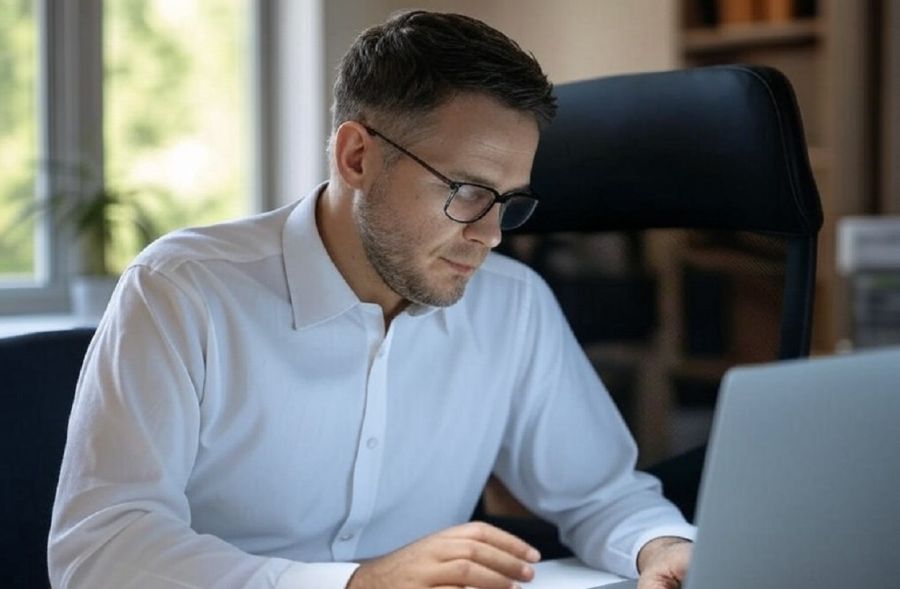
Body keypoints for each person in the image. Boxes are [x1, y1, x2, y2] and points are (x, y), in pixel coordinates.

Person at [49, 10, 695, 589]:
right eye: (467, 190)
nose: (492, 234)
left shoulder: (513, 307)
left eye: (509, 201)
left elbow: (603, 494)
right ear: (357, 156)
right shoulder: (183, 290)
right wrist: (357, 584)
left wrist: (660, 547)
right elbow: (100, 551)